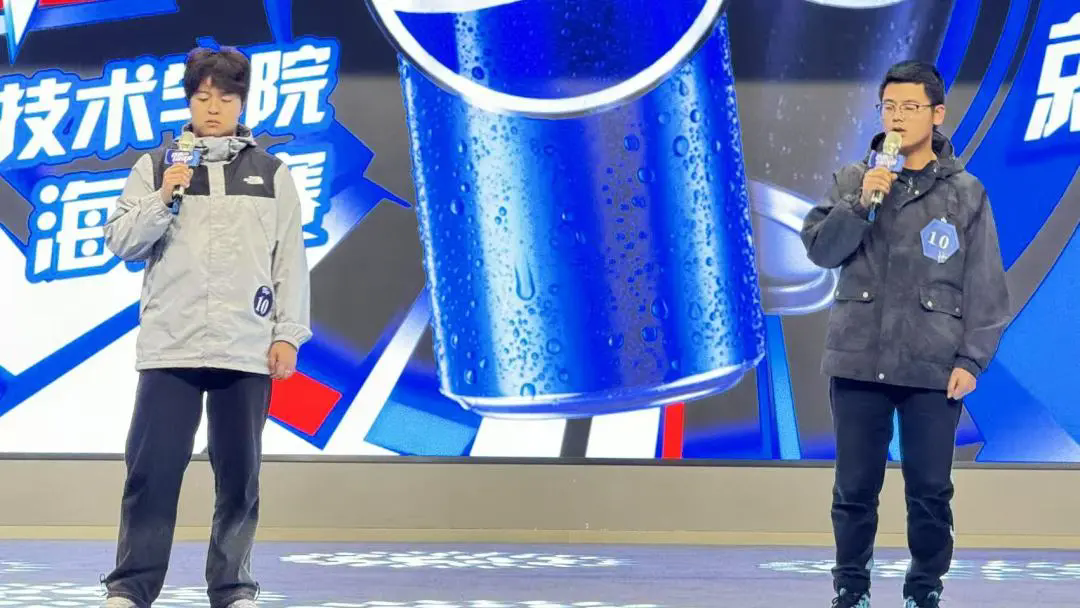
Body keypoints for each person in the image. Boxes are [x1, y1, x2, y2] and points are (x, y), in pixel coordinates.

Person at [100, 46, 312, 608]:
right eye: (202, 97)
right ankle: (130, 587)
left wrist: (287, 334)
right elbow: (121, 242)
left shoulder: (272, 174)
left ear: (242, 103)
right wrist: (164, 196)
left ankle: (233, 586)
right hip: (171, 347)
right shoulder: (155, 167)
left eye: (225, 98)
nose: (213, 108)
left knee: (239, 477)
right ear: (188, 102)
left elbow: (289, 259)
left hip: (246, 347)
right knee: (151, 473)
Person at [801, 60, 1010, 608]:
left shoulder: (965, 193)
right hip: (858, 359)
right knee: (854, 488)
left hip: (932, 365)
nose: (897, 117)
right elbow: (821, 250)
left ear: (936, 114)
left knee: (930, 491)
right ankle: (851, 587)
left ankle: (924, 588)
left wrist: (971, 359)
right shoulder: (854, 179)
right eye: (889, 106)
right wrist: (860, 204)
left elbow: (986, 286)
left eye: (910, 107)